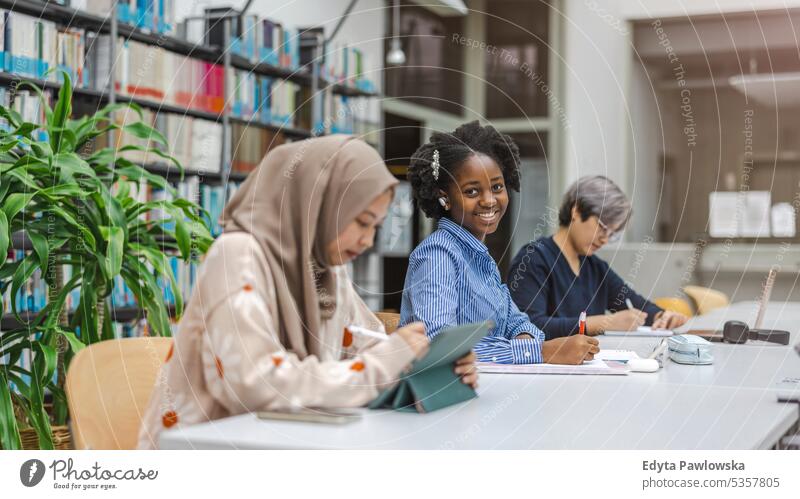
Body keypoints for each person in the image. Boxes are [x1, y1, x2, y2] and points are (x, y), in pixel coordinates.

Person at [137, 135, 478, 449]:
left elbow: (369, 348)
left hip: (281, 446)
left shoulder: (327, 270)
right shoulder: (237, 255)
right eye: (360, 222)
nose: (368, 241)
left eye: (375, 226)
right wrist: (386, 362)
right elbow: (260, 384)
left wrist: (428, 366)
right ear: (319, 203)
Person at [399, 121, 599, 365]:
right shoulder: (438, 255)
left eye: (496, 187)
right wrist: (542, 352)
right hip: (454, 400)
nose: (489, 200)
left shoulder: (480, 257)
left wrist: (525, 337)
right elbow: (437, 347)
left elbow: (515, 320)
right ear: (445, 198)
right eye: (472, 191)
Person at [507, 175, 689, 339]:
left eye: (613, 233)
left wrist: (661, 317)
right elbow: (529, 326)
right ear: (576, 211)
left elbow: (633, 302)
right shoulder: (533, 259)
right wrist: (605, 323)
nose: (605, 239)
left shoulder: (595, 268)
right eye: (602, 227)